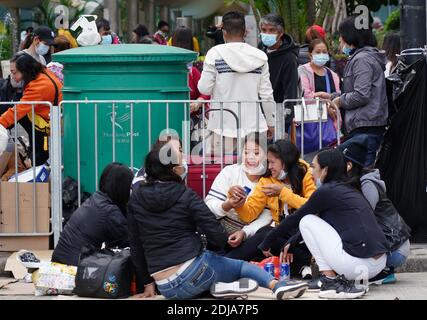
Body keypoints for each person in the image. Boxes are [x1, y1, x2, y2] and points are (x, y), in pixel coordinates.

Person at [128, 139, 308, 300]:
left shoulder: (135, 198)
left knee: (212, 270)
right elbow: (218, 235)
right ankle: (277, 287)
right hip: (193, 271)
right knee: (240, 267)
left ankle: (221, 287)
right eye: (246, 152)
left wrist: (147, 283)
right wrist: (229, 208)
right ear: (174, 170)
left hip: (165, 287)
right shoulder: (186, 193)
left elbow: (136, 245)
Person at [259, 148, 390, 299]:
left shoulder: (326, 191)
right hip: (378, 263)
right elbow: (322, 223)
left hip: (357, 265)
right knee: (310, 221)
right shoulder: (349, 188)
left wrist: (267, 240)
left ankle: (330, 281)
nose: (310, 171)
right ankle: (332, 280)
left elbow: (297, 218)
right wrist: (291, 242)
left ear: (325, 170)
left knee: (306, 220)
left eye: (313, 167)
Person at [198, 11, 275, 156]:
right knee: (252, 172)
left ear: (224, 32)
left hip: (221, 125)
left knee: (222, 171)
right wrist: (270, 122)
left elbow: (204, 88)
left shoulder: (215, 54)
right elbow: (267, 94)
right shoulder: (260, 57)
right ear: (245, 32)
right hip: (254, 126)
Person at [231, 140, 316, 270]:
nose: (269, 167)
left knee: (267, 237)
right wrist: (238, 203)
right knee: (264, 234)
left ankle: (228, 262)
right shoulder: (266, 180)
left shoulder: (306, 173)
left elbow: (312, 206)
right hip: (283, 233)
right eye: (268, 162)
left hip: (304, 234)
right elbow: (249, 215)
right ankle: (304, 264)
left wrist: (282, 192)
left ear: (285, 161)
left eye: (272, 162)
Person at [316, 17, 388, 167]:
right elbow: (357, 90)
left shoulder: (362, 59)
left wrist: (339, 101)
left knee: (362, 173)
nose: (340, 42)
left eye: (341, 38)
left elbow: (362, 94)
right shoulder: (363, 57)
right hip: (365, 123)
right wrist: (332, 96)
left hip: (366, 125)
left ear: (350, 37)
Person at [342, 138, 411, 285]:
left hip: (396, 249)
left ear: (349, 165)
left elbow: (365, 218)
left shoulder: (367, 185)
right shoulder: (358, 183)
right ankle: (383, 271)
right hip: (391, 245)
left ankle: (383, 272)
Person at [205, 133, 273, 260]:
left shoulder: (269, 182)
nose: (250, 157)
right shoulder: (230, 172)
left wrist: (244, 232)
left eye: (256, 153)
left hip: (247, 239)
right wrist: (227, 205)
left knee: (266, 234)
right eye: (246, 152)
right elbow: (208, 206)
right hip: (219, 231)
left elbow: (266, 218)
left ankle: (227, 262)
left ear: (267, 157)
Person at [52, 163, 133, 266]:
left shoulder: (96, 198)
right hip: (74, 267)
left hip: (60, 260)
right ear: (123, 188)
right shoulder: (110, 211)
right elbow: (128, 241)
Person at [0, 52, 62, 165]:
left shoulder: (38, 87)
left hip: (47, 122)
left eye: (14, 72)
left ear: (24, 70)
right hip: (46, 117)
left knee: (40, 155)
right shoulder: (42, 73)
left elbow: (18, 110)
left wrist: (1, 123)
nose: (12, 76)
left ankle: (35, 167)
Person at [298, 38, 341, 154]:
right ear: (310, 54)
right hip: (308, 124)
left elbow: (337, 96)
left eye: (324, 52)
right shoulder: (302, 71)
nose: (321, 54)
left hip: (330, 124)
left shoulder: (333, 75)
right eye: (317, 52)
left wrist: (326, 101)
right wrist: (323, 98)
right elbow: (305, 95)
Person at [259, 14, 299, 133]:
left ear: (280, 33)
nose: (267, 33)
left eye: (272, 30)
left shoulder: (289, 58)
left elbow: (290, 92)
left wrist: (284, 120)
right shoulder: (258, 53)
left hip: (278, 115)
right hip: (259, 114)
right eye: (264, 30)